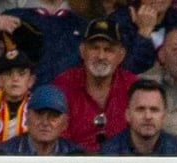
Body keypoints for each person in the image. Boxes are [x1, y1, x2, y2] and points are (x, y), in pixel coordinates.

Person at [53, 18, 139, 151]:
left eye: (108, 50)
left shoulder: (133, 85)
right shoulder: (63, 83)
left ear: (121, 55)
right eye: (94, 48)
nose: (101, 56)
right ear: (82, 51)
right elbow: (58, 136)